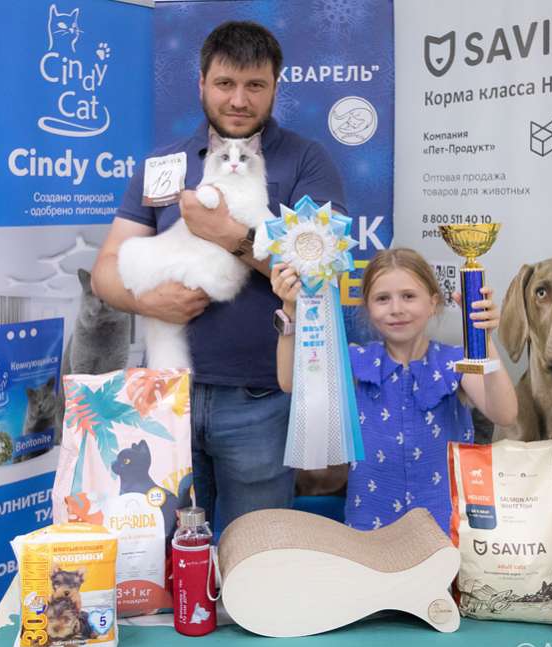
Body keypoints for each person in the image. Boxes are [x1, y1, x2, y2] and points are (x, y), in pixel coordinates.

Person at [91, 21, 346, 531]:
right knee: (164, 554)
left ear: (275, 86)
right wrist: (145, 302)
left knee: (257, 555)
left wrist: (229, 235)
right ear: (202, 83)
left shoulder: (306, 161)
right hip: (167, 396)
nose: (239, 100)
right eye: (225, 83)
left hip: (261, 399)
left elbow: (320, 277)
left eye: (255, 85)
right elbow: (105, 270)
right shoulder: (163, 163)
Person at [271, 248, 518, 534]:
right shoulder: (355, 361)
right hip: (370, 526)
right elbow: (291, 381)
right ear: (367, 307)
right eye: (382, 299)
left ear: (433, 302)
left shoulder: (455, 362)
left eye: (409, 296)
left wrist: (482, 337)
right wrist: (290, 311)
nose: (396, 309)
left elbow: (505, 413)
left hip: (444, 529)